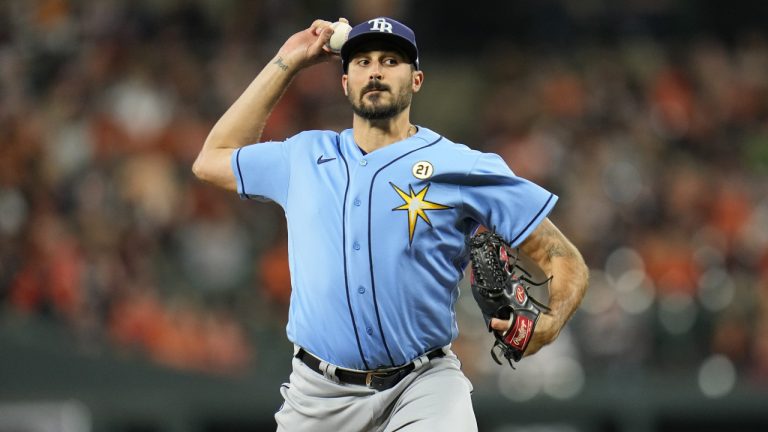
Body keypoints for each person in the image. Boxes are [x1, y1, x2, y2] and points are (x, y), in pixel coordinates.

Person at [193, 16, 589, 432]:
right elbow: (211, 158)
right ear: (345, 82)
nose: (376, 71)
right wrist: (285, 62)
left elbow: (564, 260)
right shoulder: (303, 157)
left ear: (416, 79)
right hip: (316, 396)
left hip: (423, 387)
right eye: (361, 62)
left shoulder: (462, 166)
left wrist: (546, 323)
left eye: (390, 61)